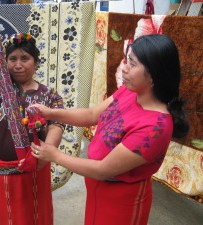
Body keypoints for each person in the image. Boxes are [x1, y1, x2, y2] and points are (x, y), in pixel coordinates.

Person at [30, 34, 190, 225]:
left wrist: (55, 155)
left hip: (121, 202)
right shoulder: (131, 92)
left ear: (154, 75)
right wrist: (50, 113)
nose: (124, 68)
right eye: (126, 60)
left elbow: (102, 170)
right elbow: (91, 115)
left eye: (132, 63)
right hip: (98, 189)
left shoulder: (155, 127)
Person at [0, 0, 64, 224]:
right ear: (4, 62)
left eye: (25, 58)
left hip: (33, 171)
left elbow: (57, 125)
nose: (18, 64)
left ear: (36, 63)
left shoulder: (49, 95)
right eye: (12, 59)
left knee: (32, 216)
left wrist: (49, 149)